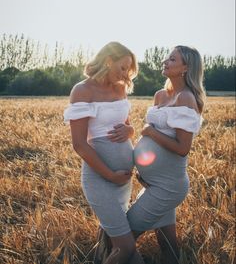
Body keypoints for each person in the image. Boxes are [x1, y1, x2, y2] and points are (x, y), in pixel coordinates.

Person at [64, 42, 145, 264]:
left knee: (125, 250)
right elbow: (79, 144)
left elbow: (127, 125)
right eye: (123, 67)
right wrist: (110, 175)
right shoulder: (82, 90)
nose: (126, 74)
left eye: (129, 69)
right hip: (100, 180)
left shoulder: (119, 88)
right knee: (126, 247)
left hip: (123, 181)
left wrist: (130, 130)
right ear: (108, 60)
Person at [125, 45, 205, 264]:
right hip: (154, 182)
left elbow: (182, 148)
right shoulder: (160, 95)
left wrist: (150, 132)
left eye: (172, 59)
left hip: (168, 186)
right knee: (168, 245)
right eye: (167, 58)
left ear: (185, 68)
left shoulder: (186, 98)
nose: (165, 62)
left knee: (123, 239)